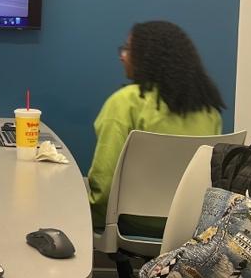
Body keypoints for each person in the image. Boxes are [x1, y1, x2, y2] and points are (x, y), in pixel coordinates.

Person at [88, 21, 225, 237]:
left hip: (131, 222)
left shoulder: (124, 102)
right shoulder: (210, 111)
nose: (122, 56)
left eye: (128, 49)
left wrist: (88, 212)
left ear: (146, 57)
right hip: (191, 223)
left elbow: (105, 181)